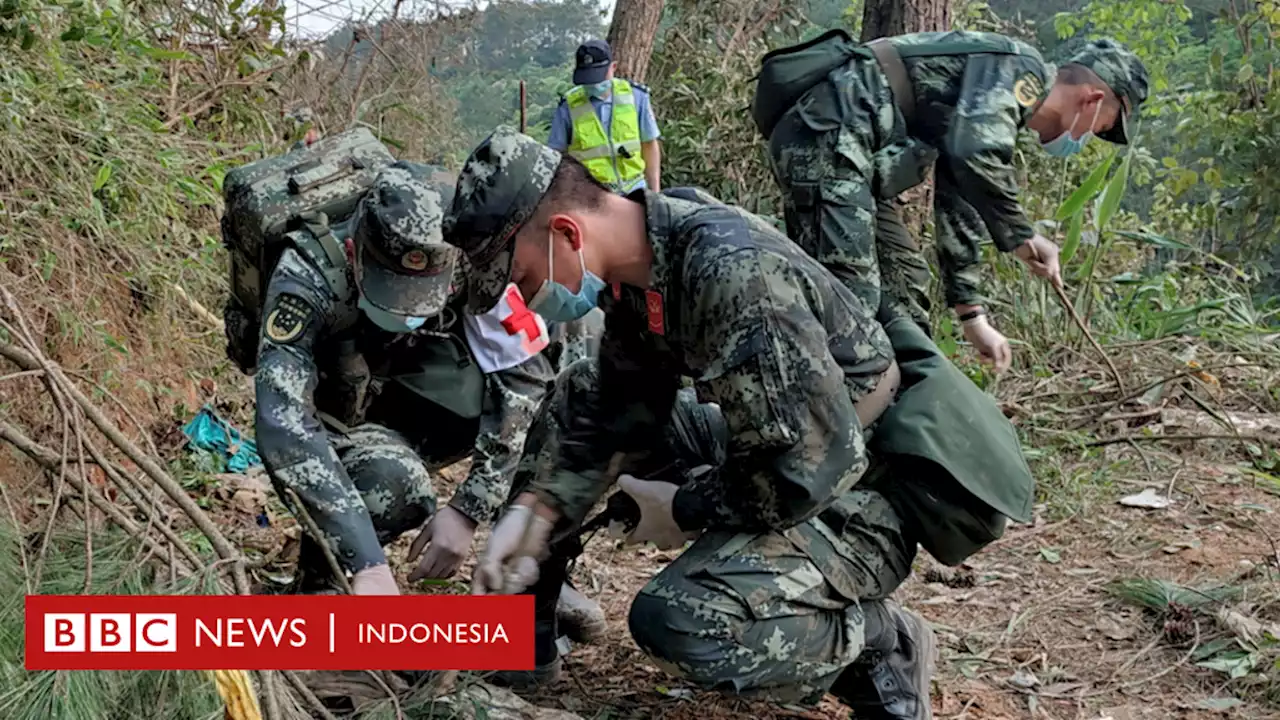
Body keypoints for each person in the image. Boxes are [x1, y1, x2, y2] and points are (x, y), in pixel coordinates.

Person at [442, 127, 1035, 718]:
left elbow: (805, 471)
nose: (522, 298)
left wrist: (682, 508)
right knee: (578, 393)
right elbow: (620, 402)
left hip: (864, 485)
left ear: (567, 233)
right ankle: (523, 636)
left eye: (520, 279)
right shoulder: (643, 260)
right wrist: (541, 507)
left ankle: (881, 642)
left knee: (682, 619)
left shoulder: (734, 275)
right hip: (779, 437)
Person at [254, 160, 605, 641]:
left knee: (566, 392)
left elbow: (524, 381)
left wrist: (469, 509)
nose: (408, 310)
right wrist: (367, 561)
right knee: (392, 484)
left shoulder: (471, 251)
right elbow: (285, 422)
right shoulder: (307, 275)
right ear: (356, 254)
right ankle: (326, 587)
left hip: (425, 393)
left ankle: (530, 580)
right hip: (345, 416)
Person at [759, 35, 1149, 373]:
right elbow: (973, 152)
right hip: (827, 137)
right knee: (851, 305)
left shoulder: (994, 108)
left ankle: (902, 415)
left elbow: (960, 196)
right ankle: (809, 426)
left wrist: (972, 315)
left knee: (906, 286)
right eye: (1101, 128)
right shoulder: (1021, 69)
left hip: (850, 155)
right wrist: (1023, 236)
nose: (1088, 138)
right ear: (1092, 100)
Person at [547, 39, 662, 194]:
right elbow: (556, 154)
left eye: (598, 76)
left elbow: (649, 144)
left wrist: (655, 192)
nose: (594, 84)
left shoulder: (636, 97)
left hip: (634, 191)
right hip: (590, 197)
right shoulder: (568, 106)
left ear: (613, 67)